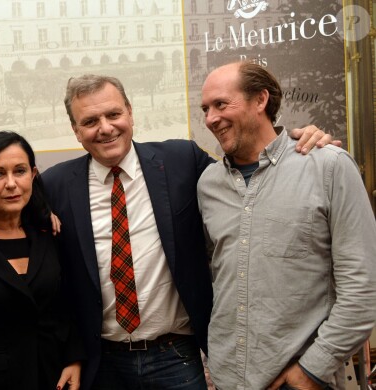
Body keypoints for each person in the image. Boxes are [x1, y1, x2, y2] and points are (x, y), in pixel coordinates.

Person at [41, 74, 335, 390]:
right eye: (90, 121)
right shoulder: (54, 186)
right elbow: (52, 284)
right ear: (76, 130)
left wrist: (297, 143)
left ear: (130, 112)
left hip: (175, 357)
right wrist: (72, 354)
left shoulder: (181, 160)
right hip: (102, 364)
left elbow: (250, 170)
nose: (105, 128)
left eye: (113, 114)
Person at [198, 62, 376, 389]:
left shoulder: (328, 167)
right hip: (228, 378)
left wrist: (309, 371)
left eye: (221, 104)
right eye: (206, 109)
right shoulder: (208, 184)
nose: (210, 119)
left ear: (260, 100)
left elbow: (363, 292)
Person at [0, 131, 84, 390]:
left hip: (51, 373)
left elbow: (66, 304)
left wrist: (73, 358)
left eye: (19, 171)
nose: (11, 183)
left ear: (33, 175)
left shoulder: (48, 232)